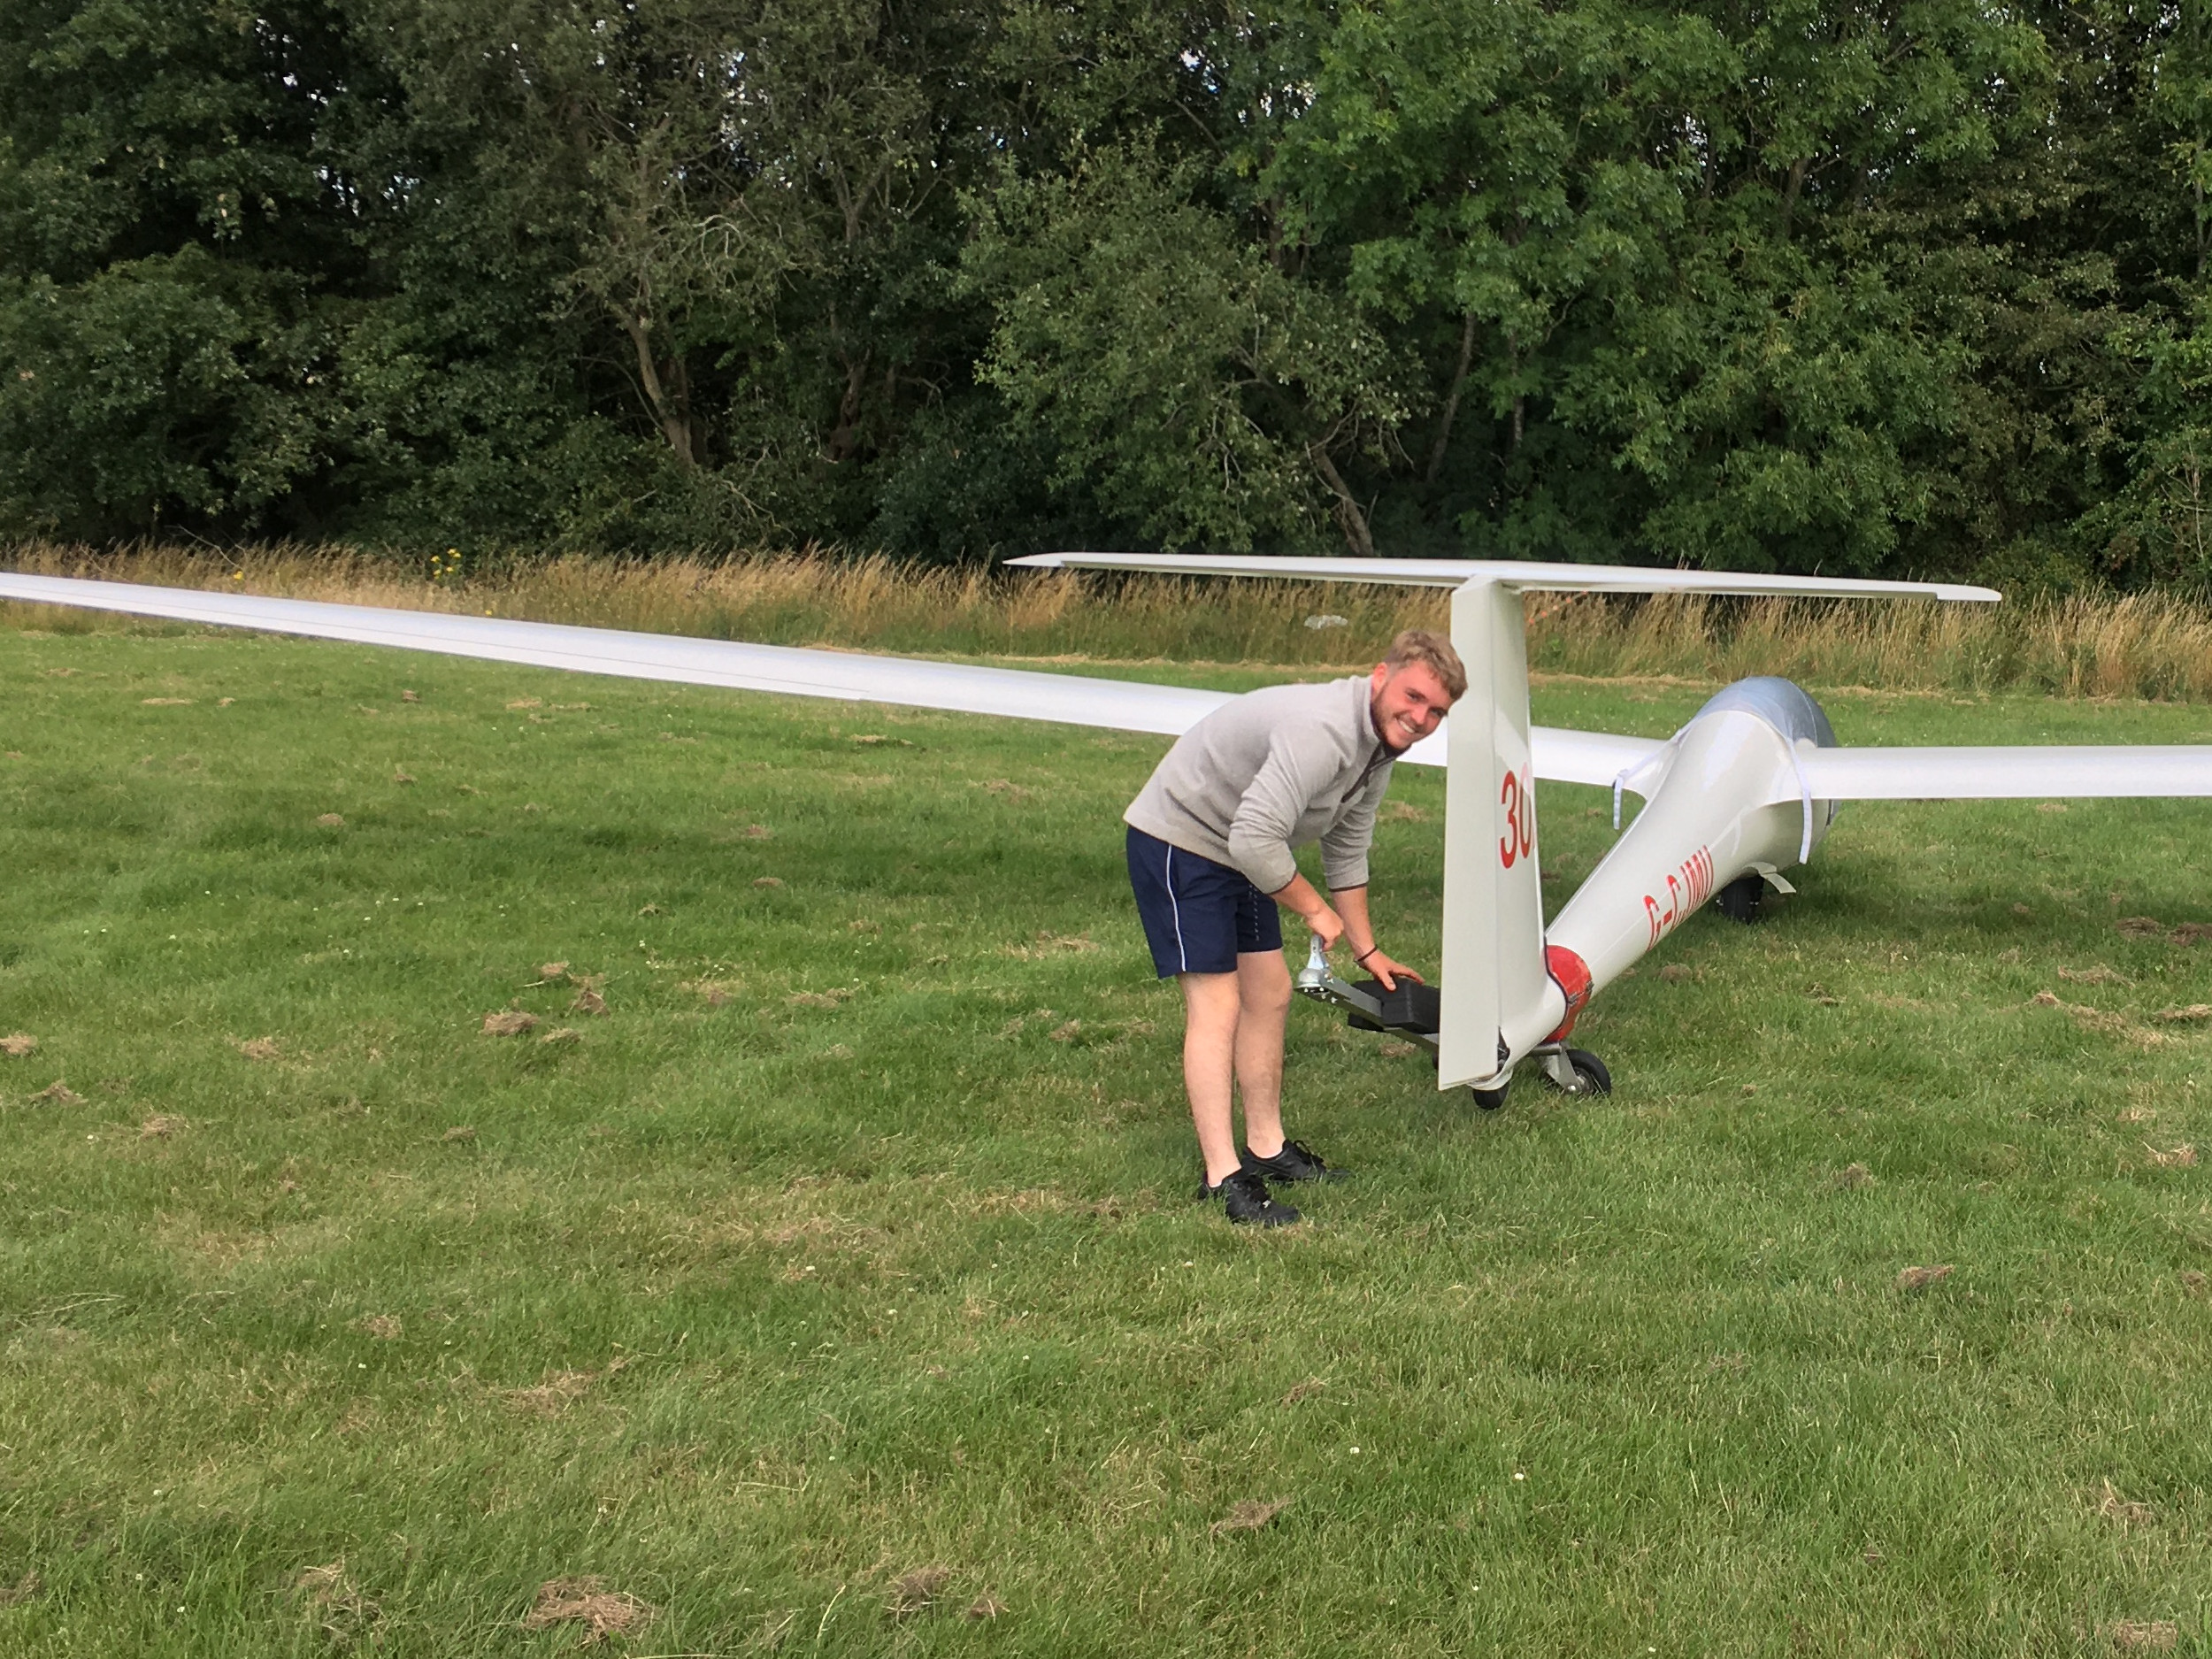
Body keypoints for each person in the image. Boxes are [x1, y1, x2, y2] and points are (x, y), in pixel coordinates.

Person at [1123, 629, 1466, 1225]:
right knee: (1218, 1003)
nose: (1420, 717)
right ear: (1380, 676)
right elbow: (1254, 837)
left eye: (1436, 711)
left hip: (1240, 849)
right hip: (1182, 837)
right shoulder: (1325, 730)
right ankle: (1222, 1176)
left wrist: (1369, 950)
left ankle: (1267, 1147)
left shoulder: (1379, 748)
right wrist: (1312, 908)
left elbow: (1348, 845)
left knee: (1271, 991)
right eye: (1413, 697)